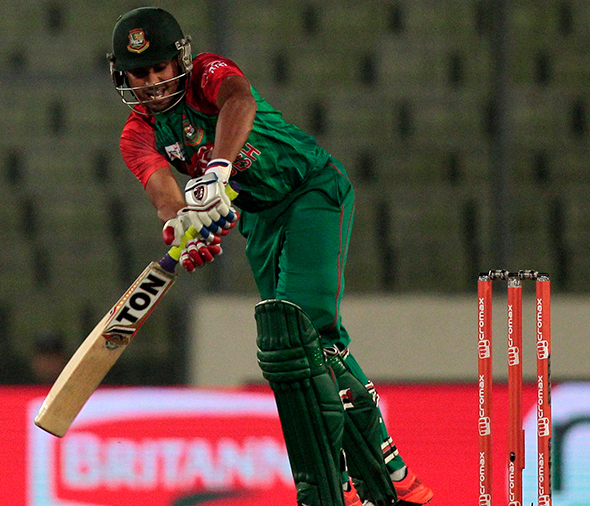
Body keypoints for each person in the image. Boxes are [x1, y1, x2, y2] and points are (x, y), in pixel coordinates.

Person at [107, 7, 433, 506]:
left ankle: (380, 475)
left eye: (158, 68)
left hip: (309, 190)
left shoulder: (207, 75)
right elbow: (164, 195)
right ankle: (365, 478)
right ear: (121, 74)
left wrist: (216, 171)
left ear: (179, 61)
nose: (151, 81)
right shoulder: (138, 135)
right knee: (298, 345)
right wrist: (183, 228)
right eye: (139, 72)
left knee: (304, 331)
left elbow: (239, 100)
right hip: (259, 218)